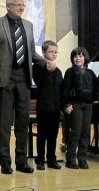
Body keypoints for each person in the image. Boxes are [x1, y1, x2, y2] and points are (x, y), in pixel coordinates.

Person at [0, 0, 55, 174]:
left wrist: (45, 63)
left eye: (22, 5)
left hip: (23, 79)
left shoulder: (29, 26)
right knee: (4, 123)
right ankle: (5, 162)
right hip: (5, 79)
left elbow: (31, 52)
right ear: (8, 6)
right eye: (17, 5)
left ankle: (22, 161)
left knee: (23, 122)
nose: (21, 7)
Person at [62, 47, 99, 169]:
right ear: (72, 59)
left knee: (86, 133)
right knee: (76, 132)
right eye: (75, 56)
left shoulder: (90, 73)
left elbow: (98, 86)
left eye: (80, 56)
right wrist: (67, 104)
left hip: (88, 105)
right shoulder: (70, 71)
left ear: (85, 58)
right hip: (76, 105)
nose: (78, 58)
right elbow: (65, 90)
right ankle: (70, 160)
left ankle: (82, 159)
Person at [32, 40, 63, 170]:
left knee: (53, 135)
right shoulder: (38, 67)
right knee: (42, 134)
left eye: (55, 52)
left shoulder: (58, 71)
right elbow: (39, 81)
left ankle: (51, 159)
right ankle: (40, 159)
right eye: (50, 52)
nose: (53, 54)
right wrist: (47, 68)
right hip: (44, 107)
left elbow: (61, 89)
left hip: (55, 108)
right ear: (44, 53)